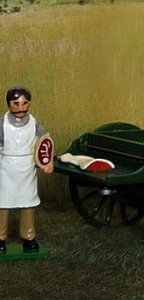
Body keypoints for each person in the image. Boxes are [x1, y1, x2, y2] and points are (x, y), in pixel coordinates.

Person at [0, 86, 53, 254]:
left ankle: (28, 237)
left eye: (24, 103)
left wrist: (47, 162)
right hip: (5, 167)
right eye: (16, 103)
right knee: (2, 203)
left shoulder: (34, 123)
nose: (21, 107)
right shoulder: (2, 124)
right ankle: (0, 237)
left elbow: (45, 142)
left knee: (28, 204)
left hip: (26, 168)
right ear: (9, 103)